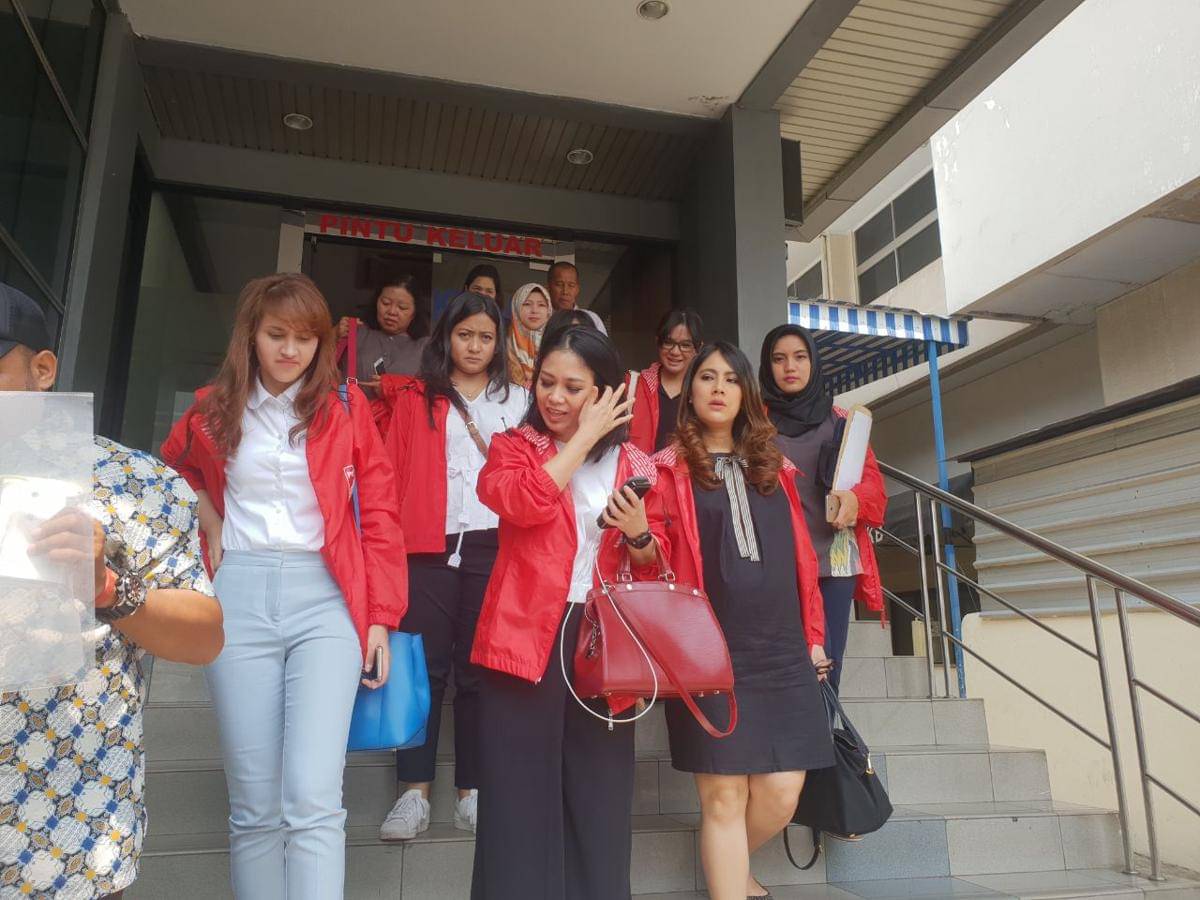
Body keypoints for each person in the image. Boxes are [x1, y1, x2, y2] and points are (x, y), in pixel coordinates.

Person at [161, 273, 408, 900]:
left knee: (313, 796)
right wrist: (205, 512)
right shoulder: (213, 407)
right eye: (277, 334)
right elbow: (169, 469)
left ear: (322, 342)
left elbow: (380, 512)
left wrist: (379, 616)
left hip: (326, 597)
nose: (290, 350)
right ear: (252, 335)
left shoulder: (345, 408)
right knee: (253, 805)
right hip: (237, 596)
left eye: (305, 337)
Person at [0, 283, 224, 900]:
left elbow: (204, 636)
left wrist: (106, 587)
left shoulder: (134, 482)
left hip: (64, 820)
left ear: (43, 369)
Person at [469, 325, 667, 900]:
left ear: (605, 391)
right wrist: (582, 439)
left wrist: (640, 535)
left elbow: (656, 567)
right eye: (546, 383)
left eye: (573, 387)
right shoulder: (514, 446)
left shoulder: (636, 463)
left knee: (599, 796)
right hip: (524, 632)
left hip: (604, 637)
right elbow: (523, 503)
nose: (554, 397)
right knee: (517, 799)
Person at [653, 341, 834, 900]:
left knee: (782, 793)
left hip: (781, 650)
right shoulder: (667, 469)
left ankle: (726, 858)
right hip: (707, 654)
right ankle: (730, 878)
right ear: (690, 392)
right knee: (724, 799)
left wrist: (813, 636)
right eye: (707, 377)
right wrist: (638, 537)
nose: (718, 388)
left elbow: (803, 561)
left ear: (746, 394)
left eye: (731, 379)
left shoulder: (776, 467)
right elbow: (654, 561)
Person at [376, 292, 529, 841]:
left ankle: (472, 791)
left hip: (493, 545)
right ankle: (413, 794)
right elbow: (389, 475)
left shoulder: (519, 401)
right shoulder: (417, 398)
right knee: (423, 670)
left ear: (499, 342)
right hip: (427, 546)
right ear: (446, 337)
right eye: (465, 335)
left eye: (486, 337)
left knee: (477, 672)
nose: (475, 346)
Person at [760, 324, 886, 693]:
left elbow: (874, 486)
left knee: (830, 663)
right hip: (781, 559)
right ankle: (799, 727)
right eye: (779, 359)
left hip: (835, 558)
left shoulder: (842, 421)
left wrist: (856, 500)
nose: (790, 367)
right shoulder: (754, 424)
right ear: (768, 366)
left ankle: (824, 729)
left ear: (814, 362)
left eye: (800, 357)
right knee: (790, 659)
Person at [336, 275, 431, 394]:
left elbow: (433, 391)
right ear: (376, 302)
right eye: (385, 303)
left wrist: (393, 387)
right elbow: (322, 371)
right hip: (350, 405)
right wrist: (333, 336)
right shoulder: (355, 332)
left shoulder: (426, 347)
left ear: (414, 312)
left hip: (402, 407)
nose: (392, 312)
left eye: (402, 308)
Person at [628, 308, 704, 453]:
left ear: (698, 348)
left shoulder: (703, 393)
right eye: (668, 342)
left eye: (685, 345)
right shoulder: (632, 387)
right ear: (658, 341)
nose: (675, 352)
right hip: (637, 467)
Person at [506, 282, 551, 388]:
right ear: (516, 306)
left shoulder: (557, 344)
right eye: (527, 304)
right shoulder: (501, 346)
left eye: (541, 305)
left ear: (549, 310)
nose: (534, 310)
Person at [546, 261, 606, 334]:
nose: (565, 291)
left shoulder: (592, 318)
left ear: (577, 289)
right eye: (559, 284)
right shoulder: (538, 317)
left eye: (571, 285)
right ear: (548, 288)